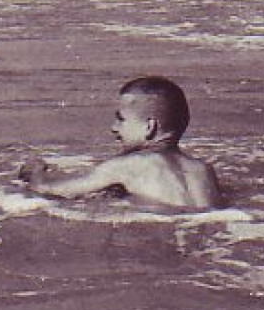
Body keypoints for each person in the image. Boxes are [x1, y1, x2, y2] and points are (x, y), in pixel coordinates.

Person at [18, 76, 223, 210]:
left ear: (149, 127)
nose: (114, 128)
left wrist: (35, 170)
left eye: (121, 119)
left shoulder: (128, 165)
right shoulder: (204, 170)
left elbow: (48, 190)